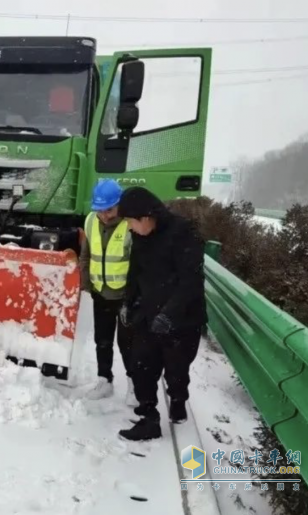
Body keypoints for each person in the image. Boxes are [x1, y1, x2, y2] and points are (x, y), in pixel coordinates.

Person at [116, 186, 207, 441]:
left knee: (176, 370)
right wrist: (127, 301)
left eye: (131, 222)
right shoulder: (142, 237)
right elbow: (135, 272)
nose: (130, 228)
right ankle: (148, 419)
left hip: (182, 318)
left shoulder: (183, 233)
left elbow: (191, 280)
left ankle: (178, 397)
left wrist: (169, 314)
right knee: (141, 365)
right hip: (148, 314)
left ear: (146, 216)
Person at [79, 179, 136, 405]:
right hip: (100, 292)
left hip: (124, 296)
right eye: (100, 210)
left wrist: (134, 296)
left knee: (128, 343)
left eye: (109, 209)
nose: (104, 215)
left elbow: (139, 264)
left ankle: (134, 385)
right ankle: (105, 380)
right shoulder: (91, 222)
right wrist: (86, 285)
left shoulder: (130, 225)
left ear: (119, 205)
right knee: (102, 340)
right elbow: (85, 256)